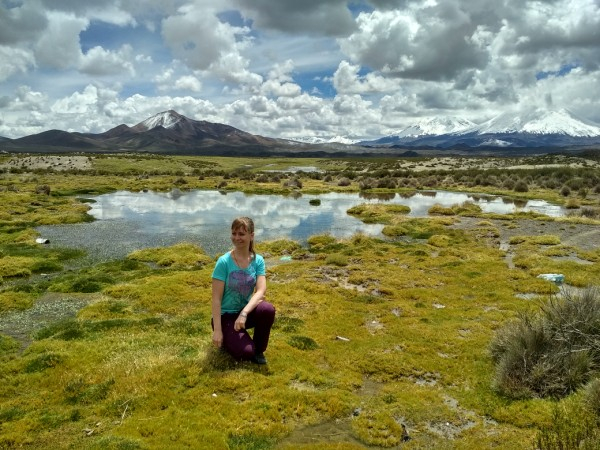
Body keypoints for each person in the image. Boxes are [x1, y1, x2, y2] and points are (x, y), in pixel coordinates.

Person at [211, 217, 276, 364]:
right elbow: (216, 299)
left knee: (267, 309)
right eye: (234, 233)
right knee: (245, 353)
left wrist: (244, 313)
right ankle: (231, 339)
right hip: (225, 317)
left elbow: (261, 291)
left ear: (251, 236)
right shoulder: (223, 262)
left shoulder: (258, 260)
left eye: (241, 234)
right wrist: (217, 330)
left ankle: (259, 350)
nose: (236, 238)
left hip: (243, 312)